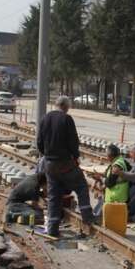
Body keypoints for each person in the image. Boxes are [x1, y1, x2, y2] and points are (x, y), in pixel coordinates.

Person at [36, 96, 93, 237]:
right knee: (81, 186)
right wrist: (75, 157)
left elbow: (39, 142)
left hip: (49, 163)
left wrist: (47, 155)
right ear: (66, 106)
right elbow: (73, 141)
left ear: (56, 105)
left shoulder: (45, 119)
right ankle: (88, 219)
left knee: (54, 196)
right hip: (65, 162)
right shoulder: (67, 119)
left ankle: (53, 229)